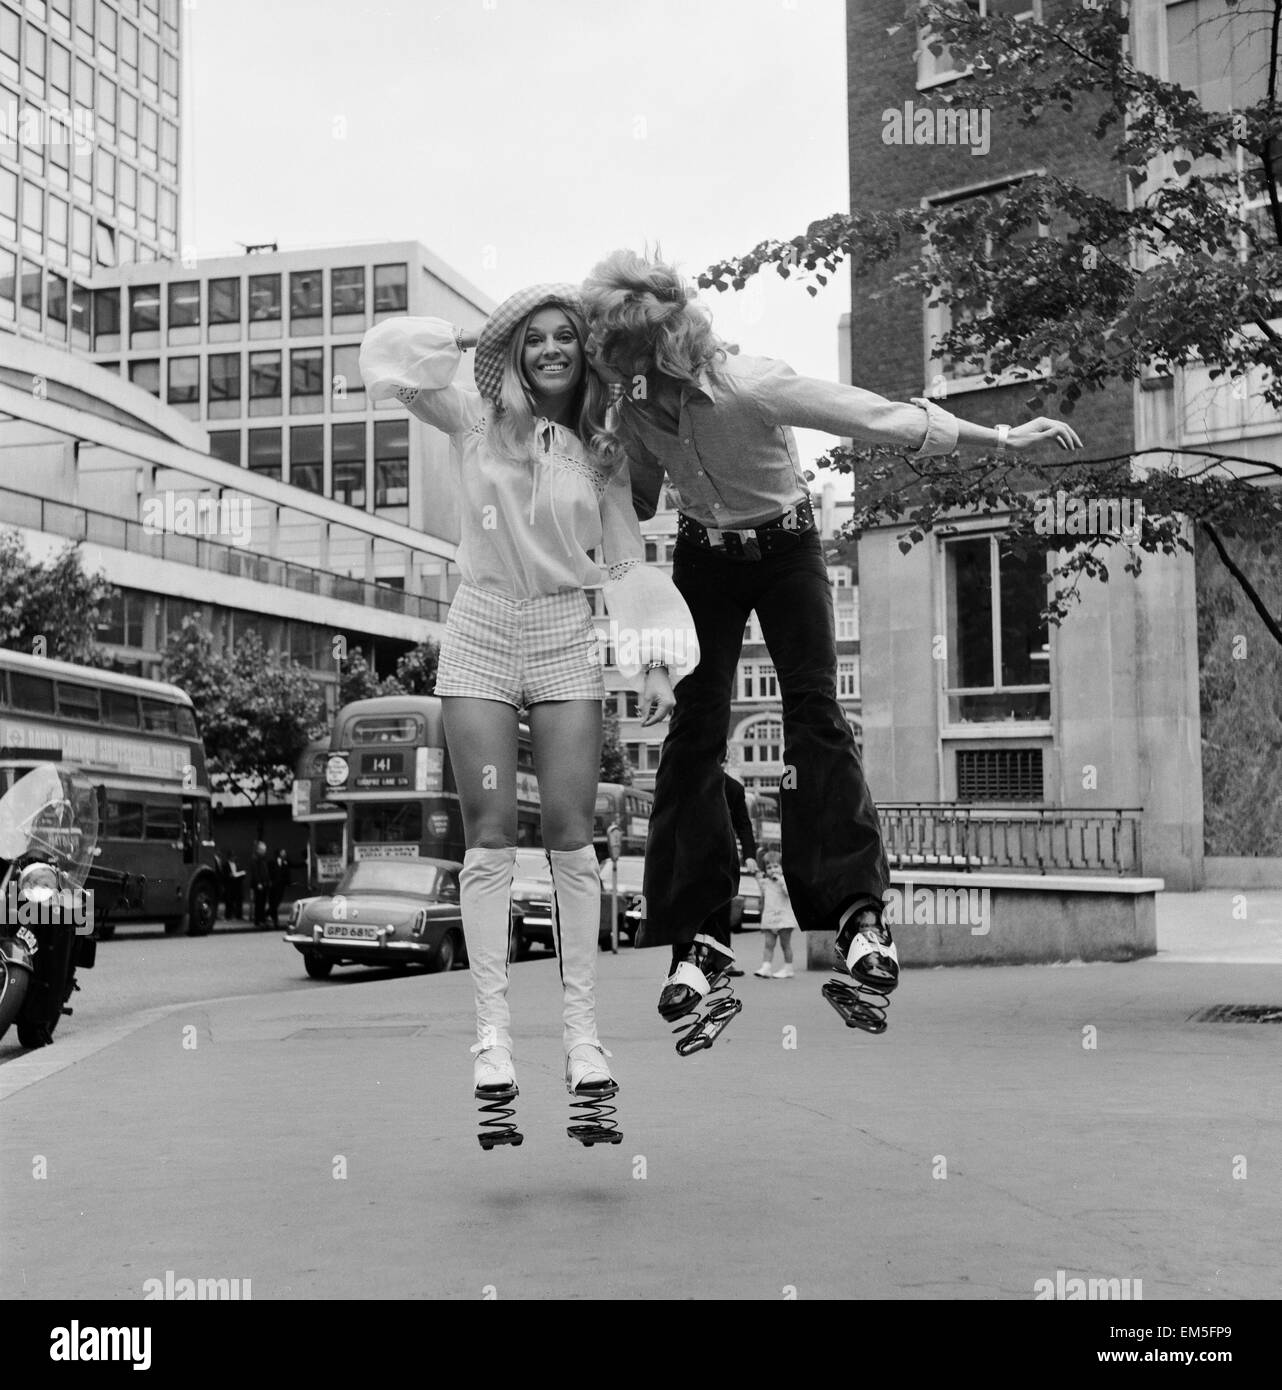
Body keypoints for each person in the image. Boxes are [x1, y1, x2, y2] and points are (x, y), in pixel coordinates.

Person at [580, 248, 1083, 1042]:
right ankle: (700, 939)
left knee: (815, 712)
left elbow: (874, 414)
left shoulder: (753, 383)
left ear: (665, 347)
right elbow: (637, 496)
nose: (629, 383)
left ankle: (857, 917)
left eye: (634, 365)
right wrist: (595, 468)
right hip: (705, 558)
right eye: (618, 371)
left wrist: (1002, 440)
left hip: (787, 550)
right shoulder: (636, 407)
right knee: (694, 730)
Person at [360, 285, 699, 1115]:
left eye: (565, 339)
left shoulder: (601, 450)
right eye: (535, 338)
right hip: (479, 626)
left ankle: (583, 1041)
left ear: (585, 354)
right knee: (490, 837)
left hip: (562, 635)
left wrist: (652, 664)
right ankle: (493, 1040)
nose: (550, 350)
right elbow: (386, 357)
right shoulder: (472, 413)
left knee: (571, 839)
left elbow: (622, 560)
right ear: (518, 348)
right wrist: (483, 334)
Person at [721, 754, 758, 976]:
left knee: (722, 910)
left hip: (723, 858)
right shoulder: (690, 780)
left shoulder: (733, 788)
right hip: (693, 857)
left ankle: (724, 961)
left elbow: (743, 824)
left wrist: (750, 855)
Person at [754, 849, 797, 979]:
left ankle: (788, 968)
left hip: (784, 919)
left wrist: (780, 880)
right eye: (769, 867)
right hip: (769, 918)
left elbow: (789, 893)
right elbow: (760, 885)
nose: (772, 869)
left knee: (785, 944)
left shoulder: (785, 880)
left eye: (776, 866)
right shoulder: (766, 882)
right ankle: (766, 967)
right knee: (768, 944)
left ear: (782, 867)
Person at [249, 840, 270, 928]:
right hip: (259, 884)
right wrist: (258, 883)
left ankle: (262, 919)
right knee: (259, 903)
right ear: (259, 850)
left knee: (263, 902)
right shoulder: (255, 858)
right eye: (263, 849)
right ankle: (258, 920)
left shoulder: (262, 858)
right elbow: (255, 872)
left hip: (264, 883)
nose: (265, 851)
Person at [269, 848, 292, 927]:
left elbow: (293, 866)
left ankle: (268, 913)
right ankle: (275, 920)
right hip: (273, 886)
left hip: (281, 886)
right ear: (279, 854)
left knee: (278, 901)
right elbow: (269, 872)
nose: (285, 854)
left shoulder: (285, 862)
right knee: (274, 902)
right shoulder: (272, 862)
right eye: (283, 853)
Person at [225, 852, 245, 920]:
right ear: (229, 857)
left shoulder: (237, 864)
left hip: (237, 886)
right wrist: (229, 875)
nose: (234, 858)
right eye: (233, 856)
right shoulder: (225, 865)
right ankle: (228, 916)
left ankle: (238, 915)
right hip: (229, 886)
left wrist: (241, 874)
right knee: (229, 901)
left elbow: (241, 872)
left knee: (238, 901)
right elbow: (223, 875)